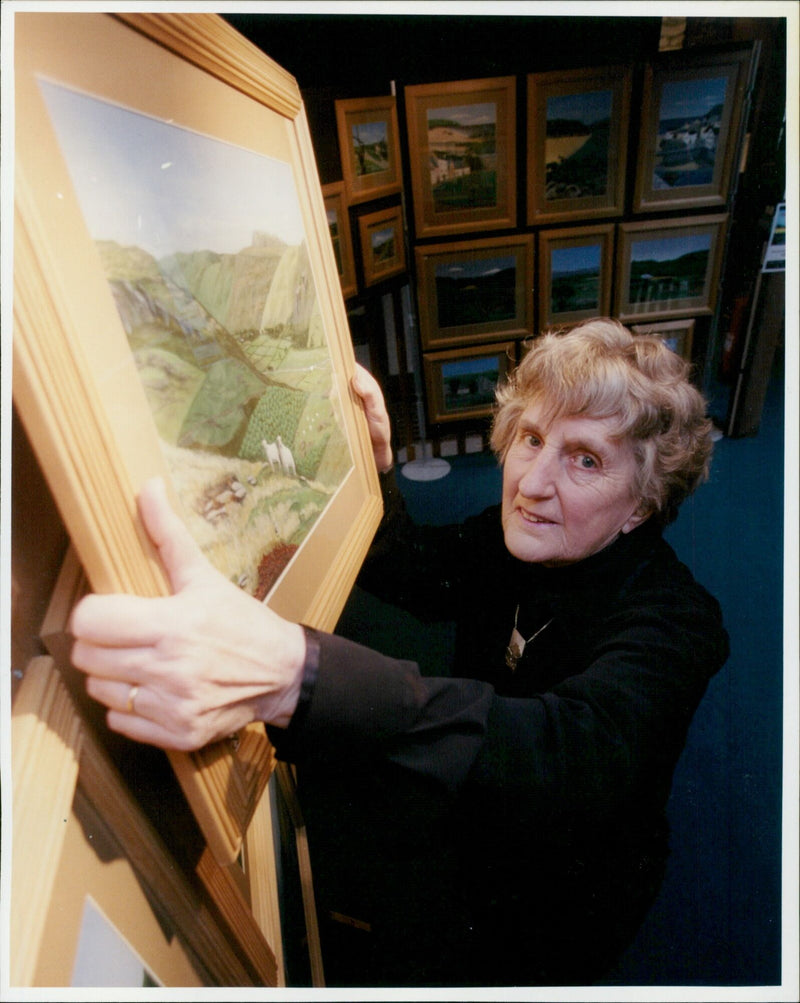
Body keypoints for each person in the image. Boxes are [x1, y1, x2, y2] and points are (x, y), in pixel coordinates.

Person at [69, 318, 729, 987]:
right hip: (470, 835)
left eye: (585, 458)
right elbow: (417, 567)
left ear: (641, 506)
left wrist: (299, 675)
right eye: (532, 438)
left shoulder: (679, 624)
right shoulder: (517, 538)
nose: (532, 482)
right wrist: (370, 465)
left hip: (568, 895)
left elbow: (563, 750)